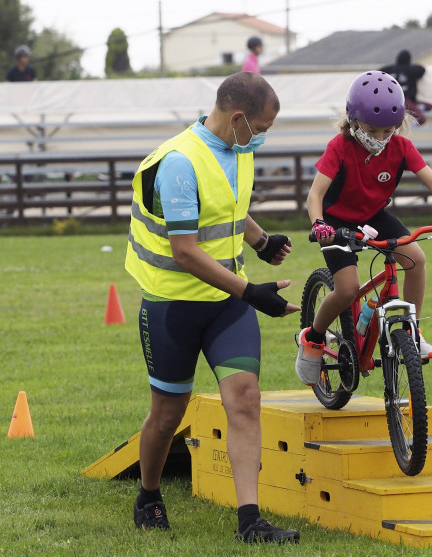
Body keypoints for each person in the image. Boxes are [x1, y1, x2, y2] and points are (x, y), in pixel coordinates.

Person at [124, 71, 301, 544]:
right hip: (174, 307)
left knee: (245, 399)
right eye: (261, 127)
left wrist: (261, 241)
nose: (263, 136)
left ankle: (250, 521)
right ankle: (148, 495)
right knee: (168, 414)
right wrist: (251, 292)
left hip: (226, 305)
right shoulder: (180, 162)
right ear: (238, 117)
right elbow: (184, 250)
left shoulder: (235, 149)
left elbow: (226, 206)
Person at [296, 70, 432, 385]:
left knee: (416, 259)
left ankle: (410, 332)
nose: (379, 138)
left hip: (373, 216)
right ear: (354, 121)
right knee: (347, 289)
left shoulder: (401, 147)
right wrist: (318, 224)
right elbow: (315, 194)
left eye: (387, 130)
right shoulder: (340, 146)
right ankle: (314, 338)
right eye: (372, 130)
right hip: (335, 221)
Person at [379, 50, 430, 125]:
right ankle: (409, 128)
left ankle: (414, 108)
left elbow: (378, 72)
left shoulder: (390, 69)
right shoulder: (411, 69)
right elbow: (422, 69)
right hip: (403, 100)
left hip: (405, 100)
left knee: (429, 106)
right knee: (421, 118)